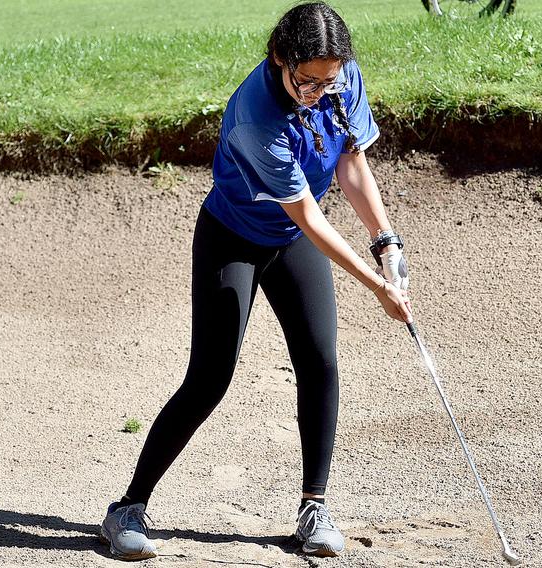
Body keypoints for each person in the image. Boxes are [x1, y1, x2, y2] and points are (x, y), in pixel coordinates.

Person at [100, 1, 412, 560]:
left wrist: (385, 239)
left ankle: (314, 507)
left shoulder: (340, 78)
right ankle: (127, 506)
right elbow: (310, 218)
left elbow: (350, 164)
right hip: (234, 237)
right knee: (210, 376)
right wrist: (377, 287)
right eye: (307, 80)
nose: (319, 90)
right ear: (280, 59)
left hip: (292, 243)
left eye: (329, 80)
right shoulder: (256, 115)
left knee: (320, 360)